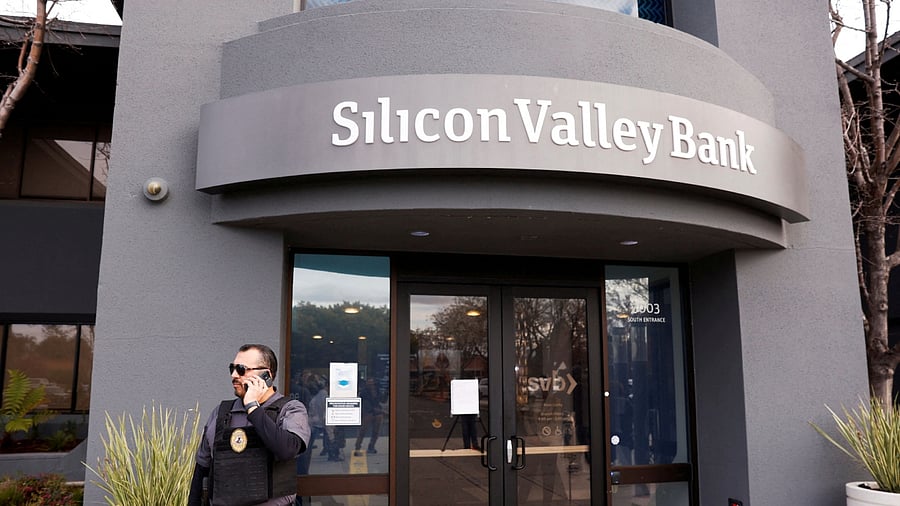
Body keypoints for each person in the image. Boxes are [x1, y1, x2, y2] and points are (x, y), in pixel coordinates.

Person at [188, 344, 310, 506]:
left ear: (266, 375)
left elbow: (287, 449)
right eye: (232, 368)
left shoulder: (290, 409)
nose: (233, 375)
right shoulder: (221, 412)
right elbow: (201, 469)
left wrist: (252, 407)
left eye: (241, 369)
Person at [354, 378, 385, 455]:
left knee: (376, 432)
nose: (371, 385)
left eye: (372, 383)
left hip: (376, 413)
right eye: (369, 383)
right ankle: (358, 447)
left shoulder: (377, 390)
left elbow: (383, 400)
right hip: (368, 413)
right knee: (362, 431)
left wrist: (386, 393)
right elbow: (365, 404)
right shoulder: (364, 392)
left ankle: (371, 446)